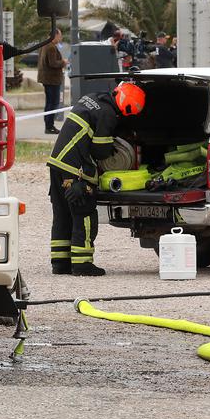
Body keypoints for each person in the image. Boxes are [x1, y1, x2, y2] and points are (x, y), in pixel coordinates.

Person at [45, 81, 145, 276]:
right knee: (84, 213)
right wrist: (115, 147)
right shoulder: (107, 115)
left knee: (62, 214)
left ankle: (60, 262)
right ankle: (82, 264)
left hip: (57, 164)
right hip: (77, 170)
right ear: (128, 107)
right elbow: (100, 150)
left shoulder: (91, 98)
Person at [38, 27, 67, 135]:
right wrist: (63, 62)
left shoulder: (45, 45)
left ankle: (49, 125)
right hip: (52, 79)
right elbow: (53, 63)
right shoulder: (51, 47)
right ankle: (49, 126)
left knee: (50, 102)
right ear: (55, 35)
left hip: (47, 79)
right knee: (52, 103)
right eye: (60, 35)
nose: (61, 37)